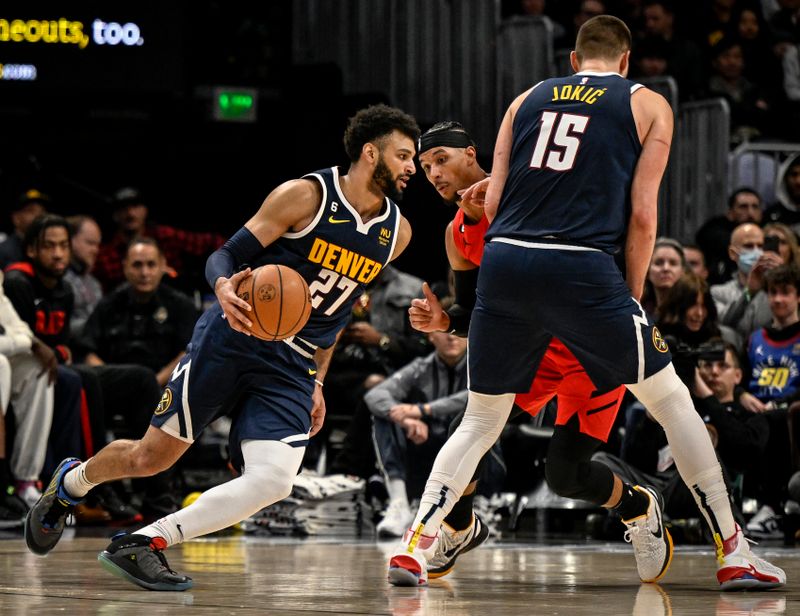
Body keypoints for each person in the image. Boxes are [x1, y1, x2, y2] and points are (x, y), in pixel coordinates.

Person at [388, 15, 785, 590]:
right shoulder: (648, 103)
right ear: (625, 63)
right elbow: (644, 214)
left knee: (480, 419)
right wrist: (626, 295)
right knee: (672, 403)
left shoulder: (525, 100)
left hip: (510, 263)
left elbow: (495, 202)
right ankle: (734, 550)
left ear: (572, 61)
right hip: (580, 269)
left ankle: (415, 546)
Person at [24, 103, 421, 591]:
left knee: (274, 481)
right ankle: (72, 483)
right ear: (369, 152)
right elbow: (226, 255)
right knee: (152, 457)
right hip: (234, 335)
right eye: (403, 155)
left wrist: (318, 380)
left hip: (293, 364)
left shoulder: (396, 234)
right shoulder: (305, 196)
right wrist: (223, 288)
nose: (411, 168)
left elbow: (335, 314)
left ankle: (145, 542)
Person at [412, 121, 659, 581]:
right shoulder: (455, 234)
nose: (434, 174)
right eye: (425, 167)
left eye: (441, 159)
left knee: (565, 475)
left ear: (471, 153)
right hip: (533, 355)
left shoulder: (529, 195)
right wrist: (444, 321)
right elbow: (471, 311)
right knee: (466, 431)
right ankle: (461, 525)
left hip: (589, 351)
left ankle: (637, 505)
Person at [64, 215, 104, 337]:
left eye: (97, 244)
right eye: (90, 243)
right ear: (70, 240)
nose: (95, 250)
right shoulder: (58, 281)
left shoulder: (94, 283)